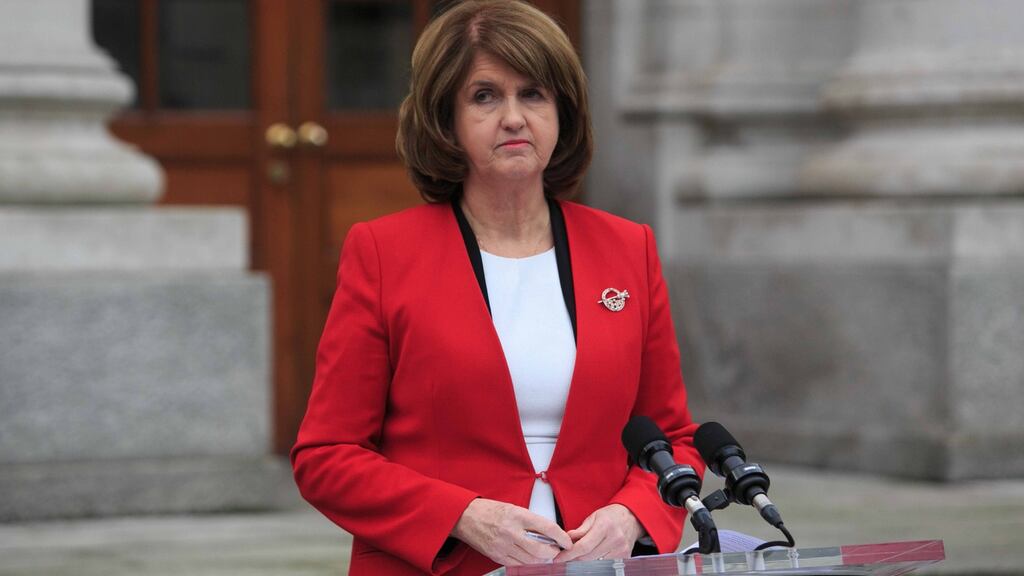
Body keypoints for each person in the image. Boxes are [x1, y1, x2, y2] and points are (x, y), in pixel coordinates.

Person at [291, 1, 703, 574]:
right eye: (485, 96)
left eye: (533, 94)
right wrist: (462, 514)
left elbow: (675, 438)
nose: (513, 117)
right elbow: (326, 457)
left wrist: (632, 515)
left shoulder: (627, 248)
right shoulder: (384, 253)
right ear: (447, 121)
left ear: (563, 112)